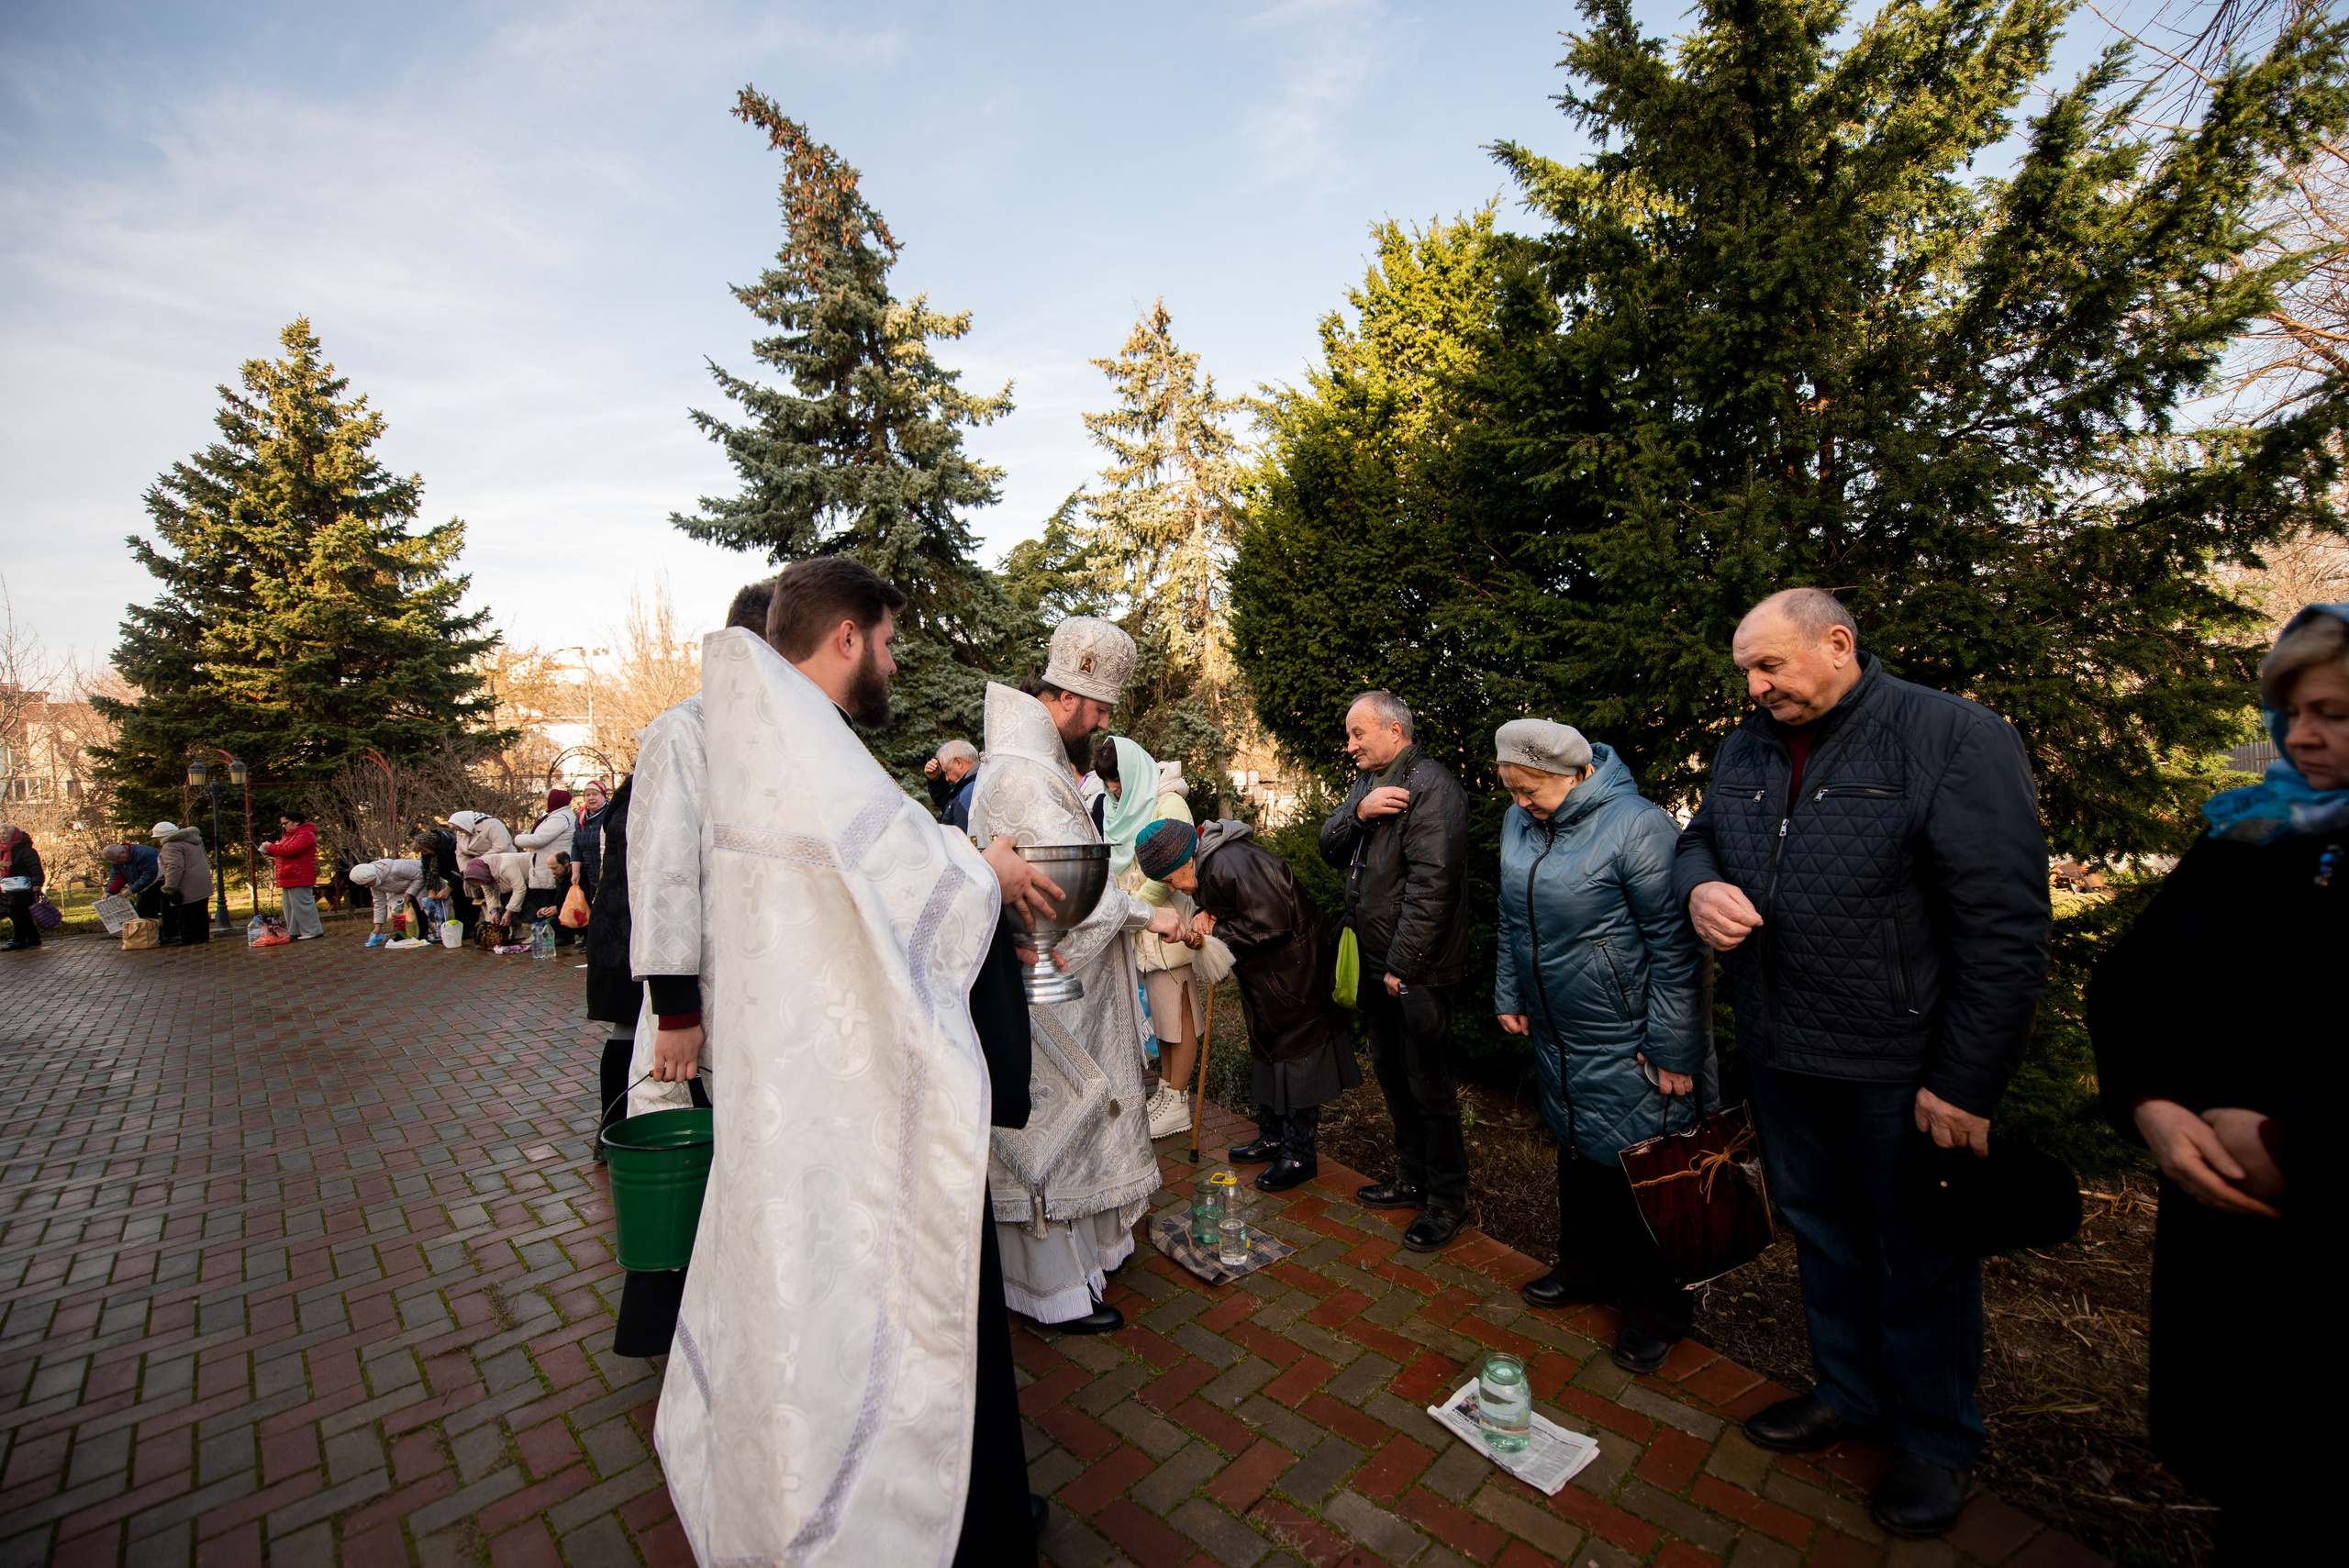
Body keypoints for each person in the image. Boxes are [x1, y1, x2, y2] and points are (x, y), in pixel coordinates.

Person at [647, 557, 1057, 1567]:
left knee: (803, 1296)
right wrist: (988, 867)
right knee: (872, 1289)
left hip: (798, 1075)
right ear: (845, 636)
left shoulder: (761, 734)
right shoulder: (798, 742)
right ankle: (876, 1509)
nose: (891, 660)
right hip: (846, 1096)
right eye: (886, 640)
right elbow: (902, 879)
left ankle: (799, 1478)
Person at [1673, 588, 2051, 1540]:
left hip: (1898, 1065)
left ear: (1837, 643)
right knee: (1823, 1234)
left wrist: (1966, 1080)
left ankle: (1935, 1440)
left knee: (1919, 1253)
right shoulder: (1746, 747)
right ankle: (1846, 1392)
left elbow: (2003, 928)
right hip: (1783, 1049)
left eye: (1770, 667)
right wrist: (1700, 886)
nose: (1755, 688)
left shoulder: (1950, 737)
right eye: (1746, 673)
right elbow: (1700, 837)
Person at [2087, 601, 2345, 1562]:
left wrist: (2294, 1143)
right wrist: (2151, 1098)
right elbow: (2134, 976)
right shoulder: (2252, 827)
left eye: (2335, 713)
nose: (2302, 735)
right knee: (2257, 1482)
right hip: (2226, 1237)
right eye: (2291, 709)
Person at [970, 617, 1187, 1331]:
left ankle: (1088, 1256)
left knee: (1078, 1108)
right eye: (1096, 711)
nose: (1100, 726)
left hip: (1061, 976)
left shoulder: (1030, 765)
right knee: (1055, 1119)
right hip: (1048, 978)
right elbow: (1070, 891)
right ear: (1062, 698)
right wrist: (1140, 913)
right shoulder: (1026, 775)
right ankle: (1051, 1289)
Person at [1492, 719, 1710, 1373]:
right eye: (1511, 789)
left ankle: (1657, 1313)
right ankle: (1584, 1270)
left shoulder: (1639, 827)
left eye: (1530, 790)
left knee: (1641, 1169)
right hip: (1561, 1029)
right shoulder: (1519, 821)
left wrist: (1676, 1047)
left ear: (1575, 773)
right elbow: (1511, 913)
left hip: (1630, 1037)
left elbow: (1679, 947)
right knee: (1579, 1153)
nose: (1520, 803)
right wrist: (1511, 991)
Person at [613, 576, 774, 1352]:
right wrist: (675, 1009)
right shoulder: (683, 733)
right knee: (684, 1160)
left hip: (747, 1000)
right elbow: (664, 872)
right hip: (695, 1006)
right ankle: (665, 1340)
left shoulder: (758, 730)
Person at [1318, 689, 1475, 1251]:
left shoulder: (1434, 788)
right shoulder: (1369, 785)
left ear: (1395, 731)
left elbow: (1434, 888)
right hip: (1377, 960)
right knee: (1391, 1072)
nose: (1351, 744)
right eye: (1349, 733)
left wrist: (1402, 967)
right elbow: (1329, 846)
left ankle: (1448, 1200)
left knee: (1428, 1082)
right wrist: (1356, 813)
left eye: (1359, 733)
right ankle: (1413, 1177)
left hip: (1417, 969)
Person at [1139, 817, 1359, 1192]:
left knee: (1298, 1058)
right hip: (1272, 976)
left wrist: (1216, 931)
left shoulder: (1228, 862)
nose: (1174, 887)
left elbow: (1272, 921)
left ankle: (1300, 1154)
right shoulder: (1210, 866)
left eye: (1172, 879)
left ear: (1185, 861)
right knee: (1270, 1051)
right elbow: (1241, 908)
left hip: (1296, 973)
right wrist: (1208, 913)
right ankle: (1272, 1138)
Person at [1097, 735, 1224, 1140]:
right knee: (1163, 1018)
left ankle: (1177, 1099)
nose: (1113, 790)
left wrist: (1134, 910)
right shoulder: (1120, 807)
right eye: (1107, 783)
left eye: (1117, 780)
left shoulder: (1168, 802)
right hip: (1143, 930)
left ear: (1133, 772)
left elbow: (1168, 875)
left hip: (1170, 927)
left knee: (1180, 1014)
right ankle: (1168, 1090)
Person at [258, 811, 324, 940]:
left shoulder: (305, 834)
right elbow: (284, 852)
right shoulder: (290, 835)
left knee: (303, 905)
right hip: (289, 875)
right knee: (290, 907)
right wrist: (270, 851)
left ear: (296, 821)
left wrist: (271, 847)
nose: (283, 826)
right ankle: (295, 931)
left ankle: (312, 930)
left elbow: (292, 850)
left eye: (285, 823)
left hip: (299, 875)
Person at [411, 823, 479, 943]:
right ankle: (461, 928)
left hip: (466, 876)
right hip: (450, 876)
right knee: (458, 901)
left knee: (468, 901)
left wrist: (448, 888)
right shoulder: (428, 852)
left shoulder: (454, 846)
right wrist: (431, 890)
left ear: (432, 845)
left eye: (425, 851)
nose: (424, 853)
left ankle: (470, 927)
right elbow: (426, 870)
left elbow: (461, 869)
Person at [154, 821, 214, 945]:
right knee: (201, 909)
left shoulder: (171, 845)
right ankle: (203, 936)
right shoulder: (194, 840)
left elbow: (175, 867)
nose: (158, 840)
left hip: (186, 882)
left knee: (186, 911)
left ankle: (189, 938)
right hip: (202, 878)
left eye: (158, 837)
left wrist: (170, 887)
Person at [349, 858, 428, 945]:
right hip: (405, 889)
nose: (366, 886)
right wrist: (378, 926)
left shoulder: (396, 869)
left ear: (373, 876)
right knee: (395, 905)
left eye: (367, 883)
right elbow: (379, 903)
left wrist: (410, 892)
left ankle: (424, 932)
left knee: (417, 903)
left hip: (424, 882)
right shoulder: (375, 885)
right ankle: (402, 933)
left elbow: (420, 875)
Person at [0, 823, 44, 952]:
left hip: (22, 888)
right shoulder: (2, 850)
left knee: (17, 914)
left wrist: (37, 884)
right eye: (0, 834)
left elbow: (35, 868)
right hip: (7, 888)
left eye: (4, 834)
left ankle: (19, 940)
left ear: (13, 835)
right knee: (22, 914)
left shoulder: (25, 850)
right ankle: (33, 938)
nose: (1, 836)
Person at [929, 739, 981, 831]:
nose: (947, 778)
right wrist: (936, 779)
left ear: (958, 763)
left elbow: (963, 838)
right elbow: (949, 805)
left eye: (947, 771)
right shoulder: (973, 782)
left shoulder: (969, 791)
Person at [104, 842, 164, 920]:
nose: (115, 863)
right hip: (144, 888)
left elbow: (151, 875)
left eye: (116, 860)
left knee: (165, 913)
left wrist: (132, 889)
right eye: (112, 861)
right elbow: (117, 876)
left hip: (160, 884)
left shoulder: (144, 854)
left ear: (123, 852)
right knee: (143, 913)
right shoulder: (117, 860)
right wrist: (110, 891)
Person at [447, 810, 515, 864]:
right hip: (478, 866)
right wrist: (466, 871)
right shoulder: (461, 832)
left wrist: (479, 860)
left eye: (461, 829)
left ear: (465, 824)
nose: (461, 832)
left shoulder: (492, 824)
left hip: (503, 861)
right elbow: (460, 852)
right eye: (458, 830)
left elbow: (500, 847)